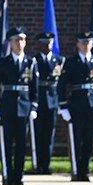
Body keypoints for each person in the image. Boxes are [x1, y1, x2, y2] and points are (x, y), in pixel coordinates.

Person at [0, 28, 35, 185]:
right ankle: (7, 176)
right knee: (7, 143)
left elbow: (34, 87)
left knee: (22, 144)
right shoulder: (3, 63)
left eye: (22, 40)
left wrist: (34, 106)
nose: (19, 43)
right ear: (10, 43)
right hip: (7, 106)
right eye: (16, 40)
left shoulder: (31, 63)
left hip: (24, 107)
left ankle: (19, 176)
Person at [60, 29, 93, 182]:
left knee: (89, 139)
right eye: (83, 43)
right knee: (76, 138)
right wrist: (63, 106)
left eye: (88, 42)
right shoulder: (71, 62)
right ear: (77, 45)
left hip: (92, 104)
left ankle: (85, 170)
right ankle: (76, 170)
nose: (86, 45)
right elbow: (63, 85)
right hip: (76, 104)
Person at [29, 29, 62, 174]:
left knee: (49, 134)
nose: (48, 45)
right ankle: (37, 164)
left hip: (52, 101)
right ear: (39, 45)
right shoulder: (34, 61)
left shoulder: (58, 61)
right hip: (40, 100)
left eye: (50, 43)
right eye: (44, 43)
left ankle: (46, 164)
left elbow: (60, 83)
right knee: (37, 134)